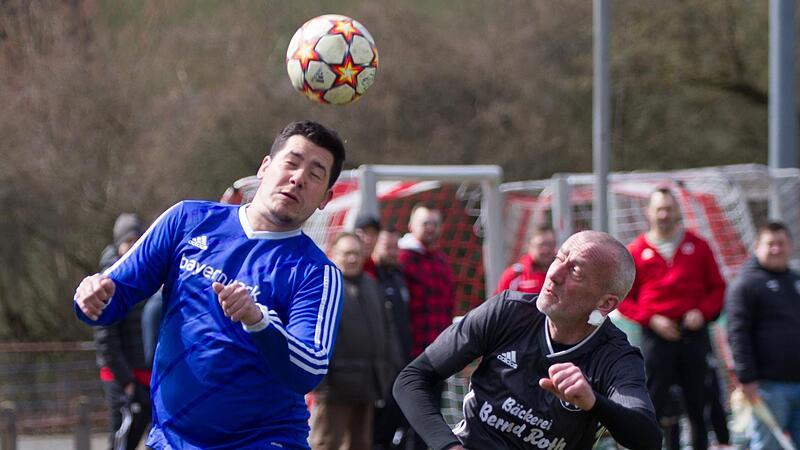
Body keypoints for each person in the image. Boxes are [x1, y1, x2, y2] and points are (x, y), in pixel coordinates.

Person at [73, 120, 346, 450]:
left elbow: (309, 369)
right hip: (171, 441)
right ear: (265, 167)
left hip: (262, 442)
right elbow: (113, 293)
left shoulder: (317, 273)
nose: (298, 178)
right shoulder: (187, 220)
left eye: (315, 174)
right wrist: (92, 296)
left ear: (325, 198)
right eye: (292, 162)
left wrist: (258, 321)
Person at [393, 230, 662, 450]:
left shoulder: (615, 357)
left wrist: (593, 402)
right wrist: (448, 446)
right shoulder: (506, 311)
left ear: (605, 303)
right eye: (559, 258)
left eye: (575, 271)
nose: (554, 274)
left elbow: (649, 438)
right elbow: (412, 379)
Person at [617, 187, 726, 450]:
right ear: (649, 213)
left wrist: (701, 311)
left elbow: (718, 288)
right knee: (653, 403)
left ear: (678, 211)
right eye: (659, 209)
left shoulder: (698, 246)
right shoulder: (636, 251)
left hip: (693, 335)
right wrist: (651, 319)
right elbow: (624, 299)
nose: (664, 214)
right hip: (656, 338)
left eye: (669, 208)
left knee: (698, 404)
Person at [309, 232, 396, 450]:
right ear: (333, 254)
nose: (352, 258)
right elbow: (313, 336)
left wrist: (387, 371)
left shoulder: (371, 285)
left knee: (361, 445)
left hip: (368, 386)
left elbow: (387, 330)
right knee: (326, 444)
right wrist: (320, 384)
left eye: (356, 253)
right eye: (346, 253)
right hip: (334, 390)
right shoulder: (323, 286)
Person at [727, 221, 800, 450]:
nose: (776, 249)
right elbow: (737, 334)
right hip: (767, 387)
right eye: (770, 244)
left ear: (791, 246)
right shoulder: (745, 285)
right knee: (768, 445)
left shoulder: (795, 281)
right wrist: (746, 378)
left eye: (781, 243)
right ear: (757, 247)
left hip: (798, 381)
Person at [398, 203, 456, 449]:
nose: (430, 228)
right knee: (405, 426)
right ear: (411, 225)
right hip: (408, 358)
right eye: (425, 223)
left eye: (435, 223)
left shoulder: (441, 261)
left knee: (430, 424)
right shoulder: (402, 259)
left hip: (437, 356)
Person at [94, 213, 153, 450]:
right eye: (129, 241)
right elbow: (105, 339)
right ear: (119, 243)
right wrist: (126, 381)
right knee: (122, 439)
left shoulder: (147, 276)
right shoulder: (106, 283)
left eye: (138, 240)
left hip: (147, 375)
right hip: (123, 378)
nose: (133, 246)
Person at [371, 226, 413, 449]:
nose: (393, 252)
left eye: (395, 247)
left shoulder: (398, 277)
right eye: (387, 246)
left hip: (401, 365)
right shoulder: (370, 278)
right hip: (379, 369)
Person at [495, 224, 557, 294]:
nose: (546, 250)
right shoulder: (514, 276)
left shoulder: (563, 274)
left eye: (550, 244)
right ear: (530, 246)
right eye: (541, 245)